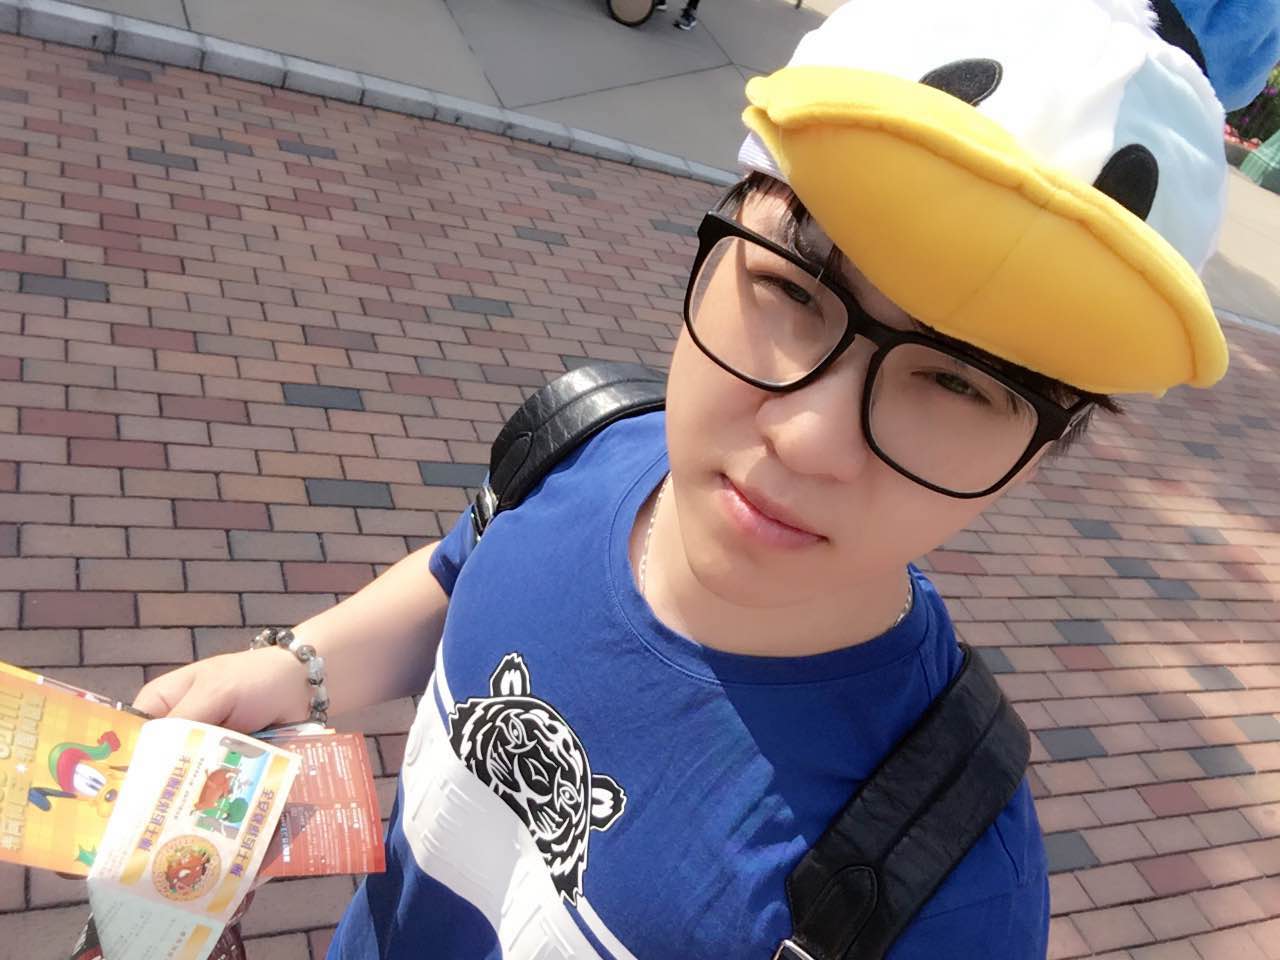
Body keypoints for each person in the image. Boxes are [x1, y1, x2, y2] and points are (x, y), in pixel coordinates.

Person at [133, 0, 1280, 956]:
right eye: (791, 286)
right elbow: (463, 574)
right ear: (718, 230)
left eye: (957, 383)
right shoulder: (591, 447)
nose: (809, 437)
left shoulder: (945, 886)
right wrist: (296, 668)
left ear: (1040, 452)